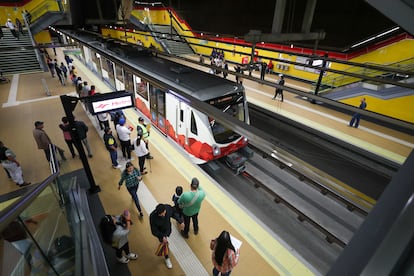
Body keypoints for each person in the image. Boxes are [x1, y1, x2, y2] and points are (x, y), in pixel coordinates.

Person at [149, 204, 184, 269]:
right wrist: (162, 236)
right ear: (157, 213)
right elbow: (154, 231)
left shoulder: (167, 208)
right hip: (160, 233)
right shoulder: (152, 217)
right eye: (162, 215)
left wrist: (180, 221)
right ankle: (166, 258)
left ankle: (166, 245)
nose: (164, 215)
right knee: (164, 245)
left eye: (164, 213)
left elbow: (173, 214)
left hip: (167, 229)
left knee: (166, 242)